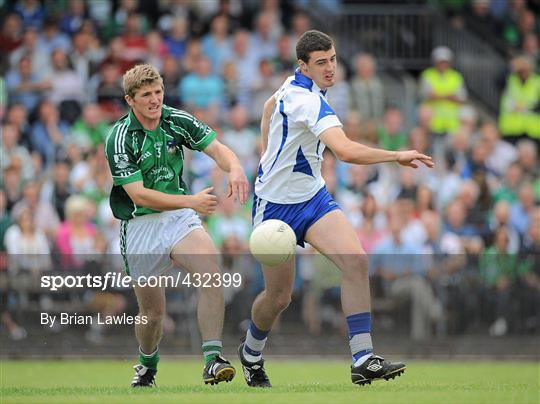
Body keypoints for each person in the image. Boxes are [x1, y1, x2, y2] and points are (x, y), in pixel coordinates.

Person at [238, 30, 433, 387]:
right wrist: (396, 155)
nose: (330, 68)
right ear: (304, 66)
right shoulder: (307, 100)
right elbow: (343, 151)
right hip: (275, 208)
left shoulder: (295, 86)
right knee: (279, 298)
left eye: (333, 59)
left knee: (356, 260)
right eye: (321, 63)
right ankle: (251, 353)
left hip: (312, 197)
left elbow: (268, 108)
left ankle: (363, 358)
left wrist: (265, 155)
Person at [104, 64, 249, 387]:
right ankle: (146, 364)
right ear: (130, 100)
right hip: (141, 224)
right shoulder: (119, 137)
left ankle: (212, 359)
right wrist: (192, 202)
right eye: (146, 95)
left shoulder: (175, 119)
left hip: (179, 219)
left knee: (211, 274)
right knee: (152, 314)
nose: (155, 99)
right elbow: (139, 194)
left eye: (158, 92)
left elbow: (216, 149)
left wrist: (235, 167)